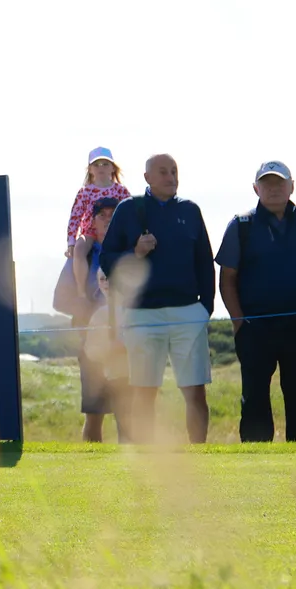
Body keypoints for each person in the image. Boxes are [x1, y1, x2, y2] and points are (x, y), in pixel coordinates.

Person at [215, 161, 296, 443]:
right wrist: (239, 323)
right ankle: (257, 461)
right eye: (267, 183)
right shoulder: (241, 225)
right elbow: (227, 279)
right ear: (255, 188)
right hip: (256, 328)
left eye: (279, 183)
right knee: (254, 400)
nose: (273, 189)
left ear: (291, 186)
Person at [99, 154, 216, 444]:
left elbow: (205, 262)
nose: (171, 177)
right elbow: (107, 259)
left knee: (194, 391)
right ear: (147, 177)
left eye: (174, 171)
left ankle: (200, 453)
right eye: (163, 172)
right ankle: (146, 455)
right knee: (144, 390)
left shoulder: (190, 210)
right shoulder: (128, 209)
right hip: (143, 313)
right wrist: (135, 253)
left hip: (188, 311)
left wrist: (205, 308)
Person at [71, 196, 124, 441]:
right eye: (102, 215)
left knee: (128, 411)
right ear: (93, 220)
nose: (107, 220)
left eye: (113, 215)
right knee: (94, 412)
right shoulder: (85, 253)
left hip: (125, 341)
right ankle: (91, 460)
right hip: (93, 342)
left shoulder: (127, 249)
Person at [63, 147, 132, 259]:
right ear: (90, 169)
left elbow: (130, 213)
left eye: (105, 164)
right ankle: (81, 271)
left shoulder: (120, 190)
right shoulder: (85, 192)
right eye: (96, 165)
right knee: (79, 249)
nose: (101, 167)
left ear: (113, 168)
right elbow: (75, 218)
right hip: (89, 234)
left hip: (114, 231)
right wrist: (71, 243)